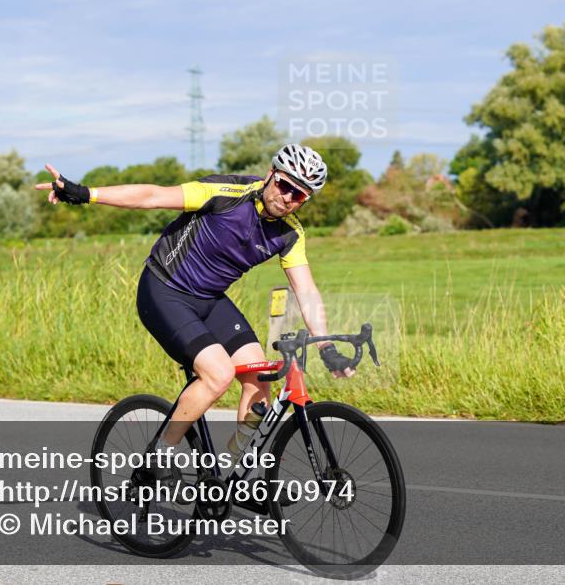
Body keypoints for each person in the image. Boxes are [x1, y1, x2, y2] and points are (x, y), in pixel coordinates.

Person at [35, 144, 357, 474]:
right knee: (218, 374)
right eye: (285, 185)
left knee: (260, 377)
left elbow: (305, 289)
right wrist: (85, 193)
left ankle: (234, 473)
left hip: (210, 299)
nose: (288, 197)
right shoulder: (226, 193)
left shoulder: (290, 233)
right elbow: (152, 196)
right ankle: (158, 456)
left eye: (299, 195)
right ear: (271, 175)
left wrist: (326, 344)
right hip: (164, 290)